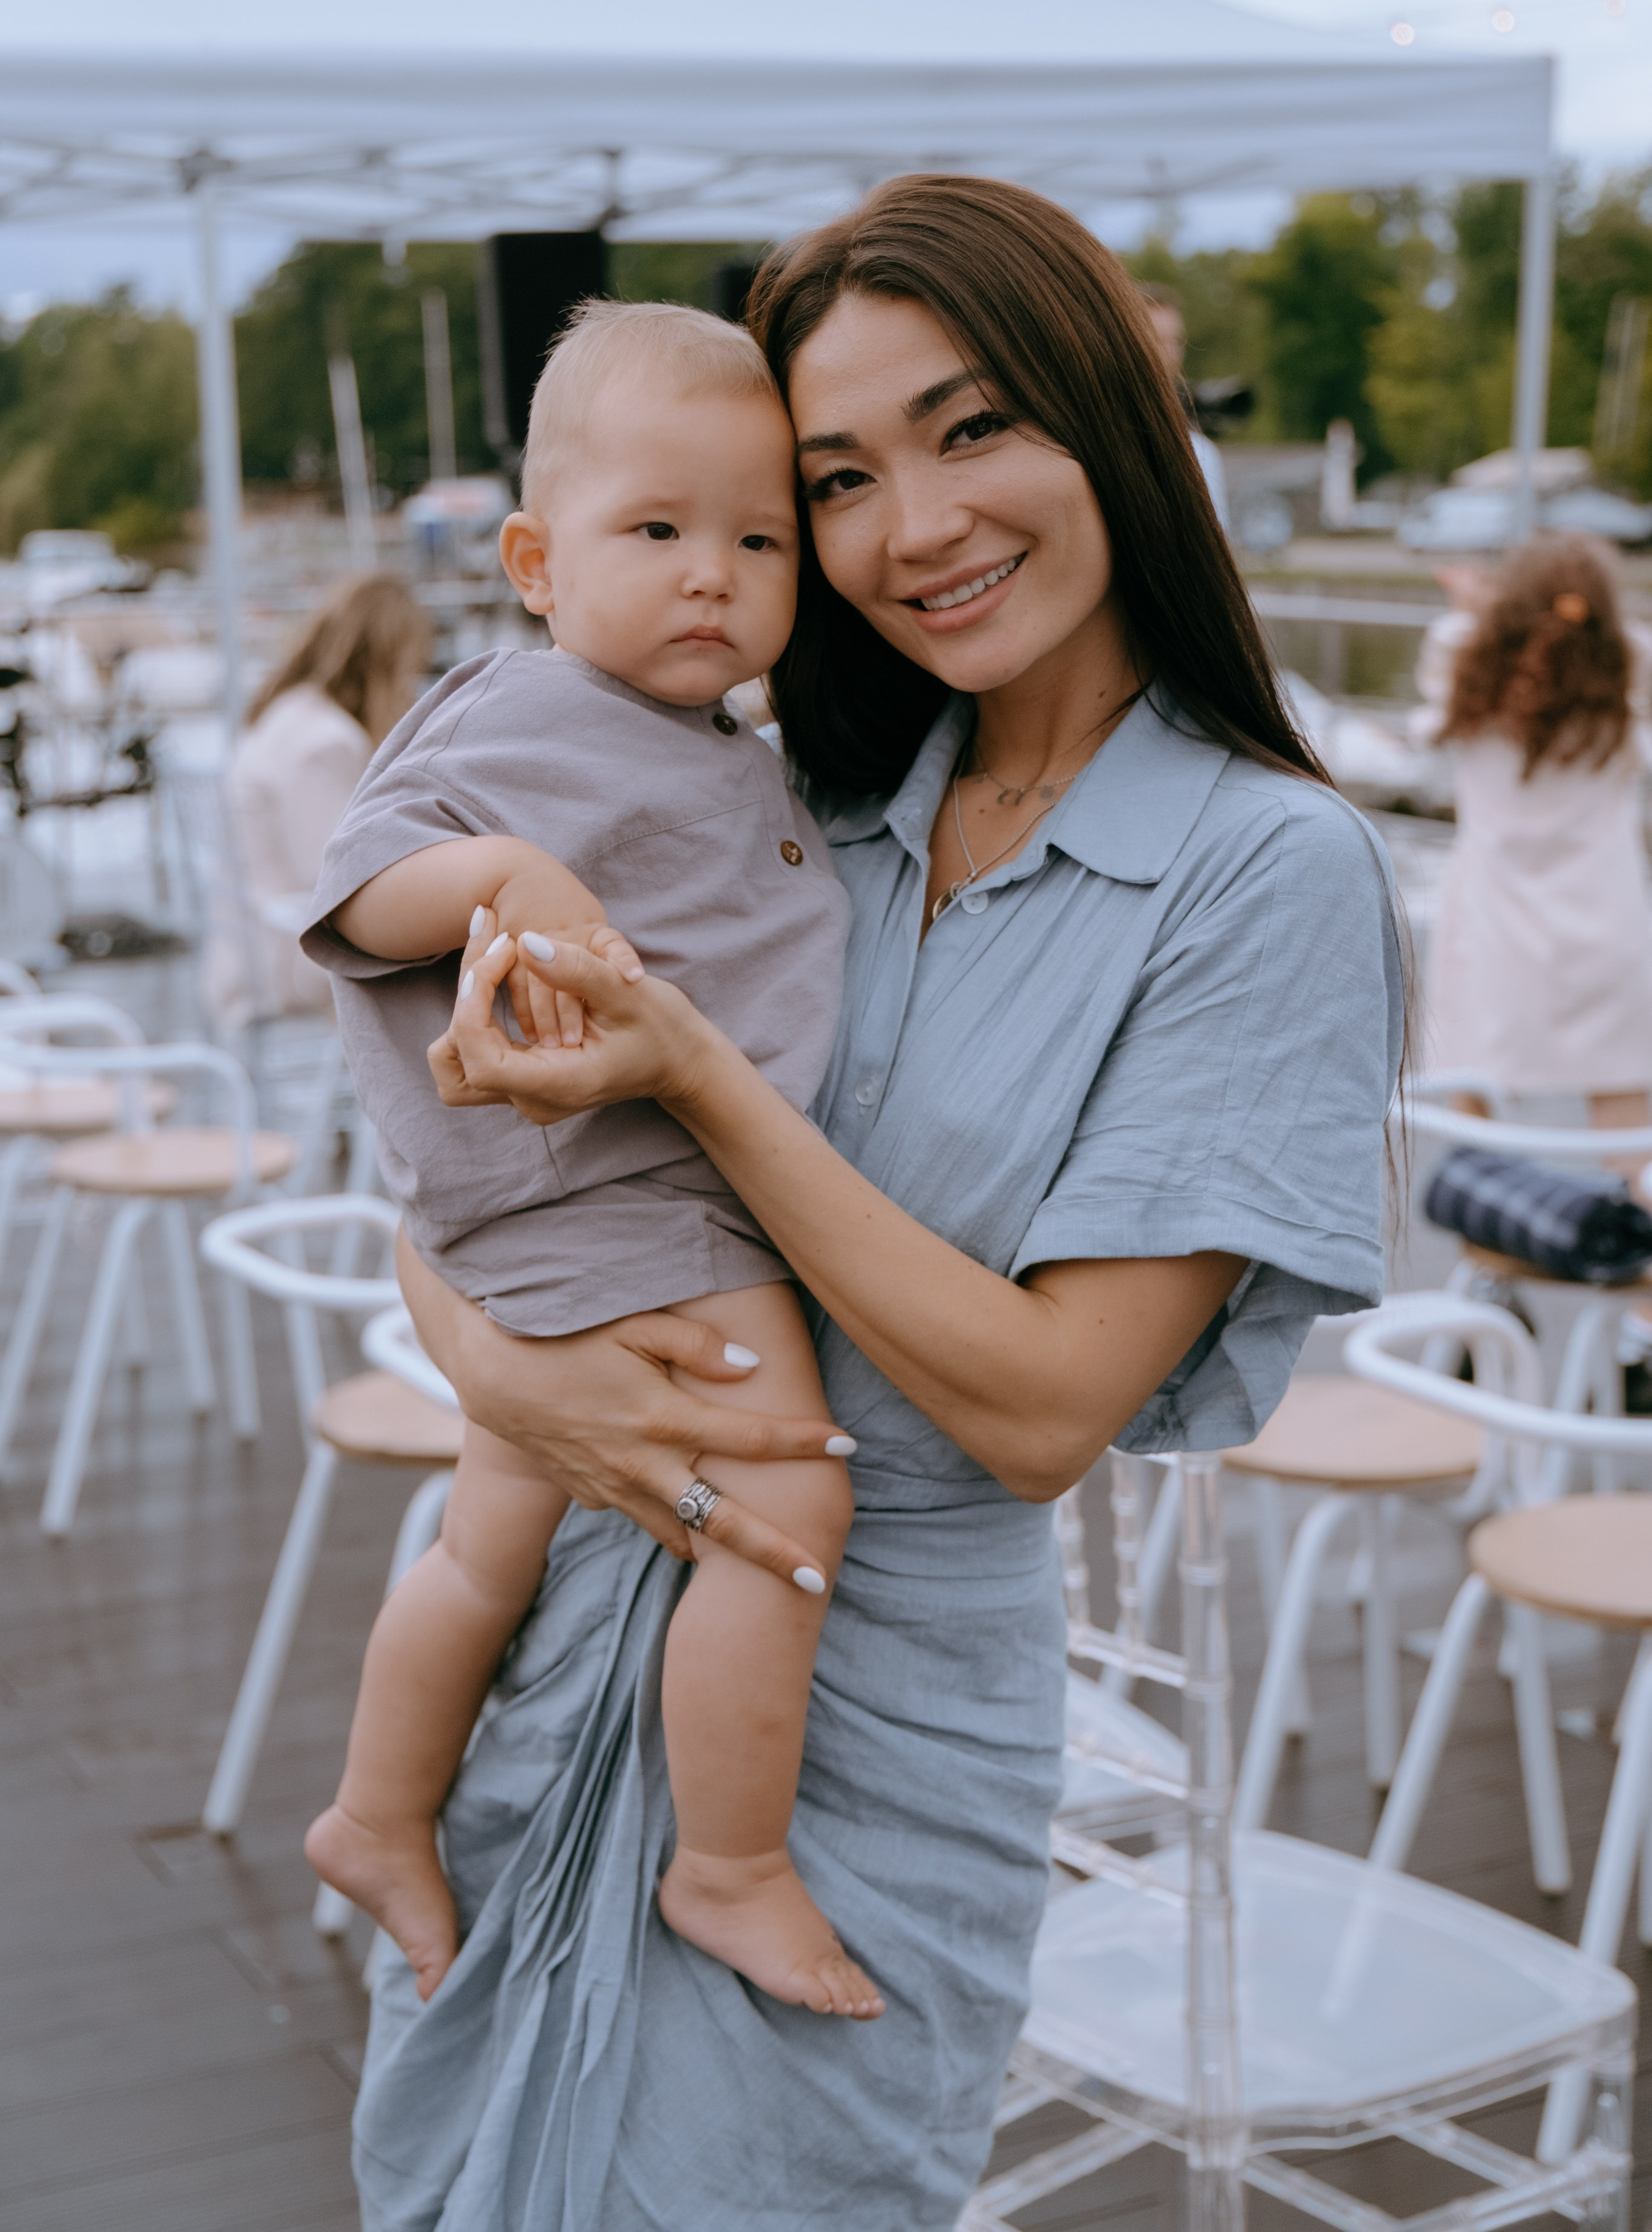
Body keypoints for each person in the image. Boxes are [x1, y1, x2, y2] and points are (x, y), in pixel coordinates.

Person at [349, 176, 1404, 2232]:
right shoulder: (781, 794)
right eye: (836, 476)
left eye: (974, 425)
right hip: (559, 1629)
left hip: (871, 1715)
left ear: (1111, 420)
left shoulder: (1265, 873)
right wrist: (513, 1376)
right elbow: (445, 1176)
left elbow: (1037, 1409)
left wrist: (696, 1074)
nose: (913, 524)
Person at [299, 303, 879, 2020]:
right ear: (538, 564)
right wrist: (497, 873)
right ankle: (729, 1865)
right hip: (622, 1203)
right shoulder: (527, 716)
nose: (715, 575)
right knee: (786, 1507)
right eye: (659, 532)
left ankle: (375, 1810)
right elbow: (350, 893)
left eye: (759, 540)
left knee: (489, 1547)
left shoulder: (716, 742)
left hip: (574, 1217)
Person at [1419, 533, 1652, 1386]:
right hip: (1607, 922)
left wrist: (1473, 607)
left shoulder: (1461, 653)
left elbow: (1460, 661)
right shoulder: (1628, 661)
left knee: (1476, 1113)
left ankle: (1488, 1291)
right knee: (1629, 1127)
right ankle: (1642, 1326)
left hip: (1495, 922)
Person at [200, 573, 432, 1031]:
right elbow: (337, 876)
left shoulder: (289, 711)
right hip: (286, 956)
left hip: (250, 944)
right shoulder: (325, 742)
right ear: (387, 659)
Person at [1139, 279, 1231, 532]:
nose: (1170, 354)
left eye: (1176, 341)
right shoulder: (1093, 437)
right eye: (1156, 340)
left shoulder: (1200, 452)